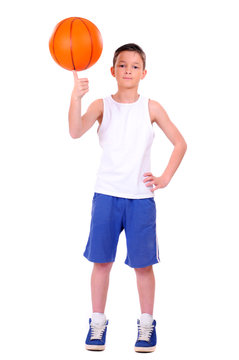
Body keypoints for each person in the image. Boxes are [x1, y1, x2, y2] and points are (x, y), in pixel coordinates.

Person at [68, 43, 187, 352]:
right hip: (106, 196)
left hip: (140, 200)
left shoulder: (152, 107)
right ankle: (97, 322)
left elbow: (180, 143)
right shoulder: (101, 105)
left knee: (143, 266)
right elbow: (75, 130)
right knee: (101, 262)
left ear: (144, 73)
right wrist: (75, 98)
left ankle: (147, 324)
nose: (128, 70)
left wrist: (164, 178)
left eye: (135, 66)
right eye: (122, 65)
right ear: (113, 70)